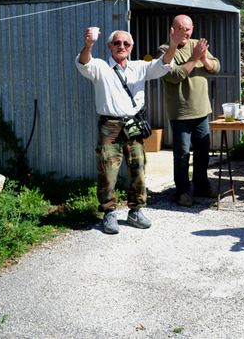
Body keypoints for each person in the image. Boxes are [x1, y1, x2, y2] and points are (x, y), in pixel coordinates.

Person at [76, 27, 175, 235]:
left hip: (133, 126)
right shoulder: (101, 67)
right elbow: (84, 63)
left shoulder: (140, 67)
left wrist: (173, 44)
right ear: (109, 46)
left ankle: (136, 210)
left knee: (138, 168)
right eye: (117, 43)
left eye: (126, 44)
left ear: (131, 47)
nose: (121, 46)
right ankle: (109, 212)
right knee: (107, 170)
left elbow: (163, 64)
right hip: (109, 126)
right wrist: (88, 45)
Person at [161, 14, 221, 207]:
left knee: (203, 152)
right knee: (182, 154)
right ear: (173, 30)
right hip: (181, 113)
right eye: (180, 28)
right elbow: (175, 75)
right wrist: (196, 58)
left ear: (192, 29)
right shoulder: (164, 50)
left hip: (202, 110)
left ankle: (202, 185)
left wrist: (204, 58)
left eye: (187, 28)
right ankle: (182, 192)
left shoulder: (197, 44)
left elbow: (216, 67)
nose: (184, 32)